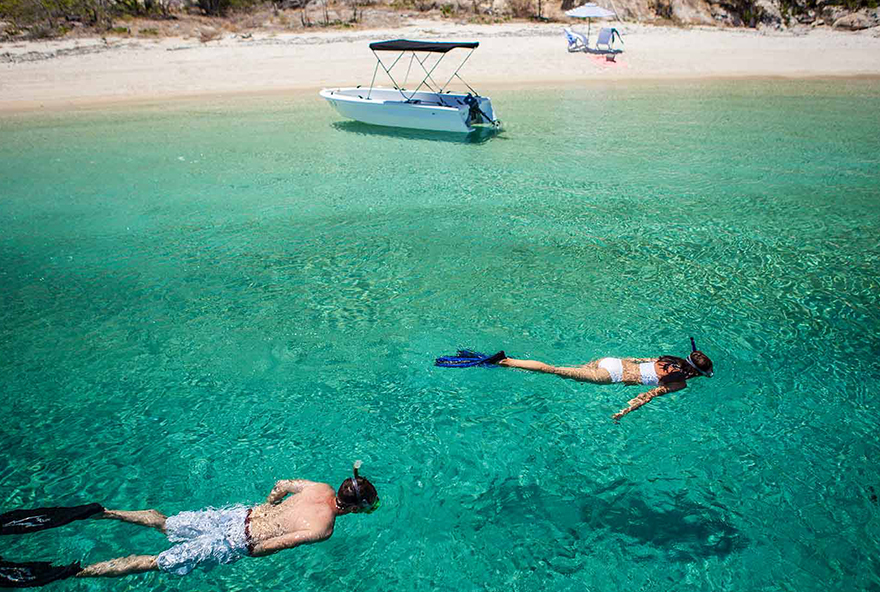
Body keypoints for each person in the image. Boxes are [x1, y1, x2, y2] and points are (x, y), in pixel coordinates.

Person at [0, 463, 379, 586]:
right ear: (355, 508)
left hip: (238, 515)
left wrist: (267, 507)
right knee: (155, 561)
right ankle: (74, 572)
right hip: (237, 539)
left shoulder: (319, 486)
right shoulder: (324, 528)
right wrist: (245, 552)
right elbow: (272, 546)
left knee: (165, 524)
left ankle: (103, 512)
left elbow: (280, 485)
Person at [498, 338, 714, 420]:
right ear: (697, 373)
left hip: (613, 362)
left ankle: (512, 362)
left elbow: (639, 360)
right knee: (552, 370)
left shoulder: (671, 360)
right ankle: (506, 361)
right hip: (611, 375)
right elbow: (648, 395)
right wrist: (625, 411)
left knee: (570, 371)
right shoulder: (679, 382)